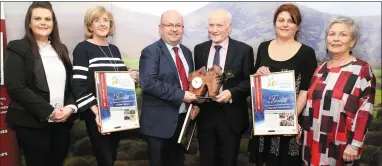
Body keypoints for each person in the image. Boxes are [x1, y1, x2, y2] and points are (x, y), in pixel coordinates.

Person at [4, 2, 77, 166]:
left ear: (53, 23)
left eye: (48, 19)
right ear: (29, 23)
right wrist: (50, 112)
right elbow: (15, 86)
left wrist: (70, 107)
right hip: (32, 123)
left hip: (61, 123)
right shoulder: (18, 47)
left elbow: (70, 85)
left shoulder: (61, 49)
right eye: (37, 18)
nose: (43, 23)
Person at [247, 4, 318, 166]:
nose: (285, 24)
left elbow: (305, 92)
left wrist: (288, 121)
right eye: (281, 20)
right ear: (275, 23)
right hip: (263, 124)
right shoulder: (263, 47)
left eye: (290, 21)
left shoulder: (307, 53)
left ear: (297, 26)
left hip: (288, 126)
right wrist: (258, 73)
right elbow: (255, 84)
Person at [301, 16, 376, 166]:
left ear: (352, 41)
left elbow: (365, 110)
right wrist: (303, 131)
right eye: (332, 34)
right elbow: (310, 104)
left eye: (343, 34)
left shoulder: (361, 70)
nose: (336, 39)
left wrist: (355, 145)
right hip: (311, 142)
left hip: (340, 146)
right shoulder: (320, 68)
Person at [71, 5, 138, 166]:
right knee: (105, 159)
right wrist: (98, 113)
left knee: (111, 157)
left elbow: (117, 78)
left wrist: (130, 76)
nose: (102, 24)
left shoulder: (114, 50)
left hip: (116, 112)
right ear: (89, 25)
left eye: (106, 20)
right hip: (97, 115)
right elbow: (78, 85)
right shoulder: (82, 49)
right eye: (97, 20)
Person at [193, 9, 255, 166]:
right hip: (206, 117)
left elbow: (249, 82)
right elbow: (197, 81)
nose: (214, 29)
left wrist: (231, 93)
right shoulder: (199, 50)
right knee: (206, 161)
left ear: (229, 27)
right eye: (211, 25)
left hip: (231, 118)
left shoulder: (244, 50)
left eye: (219, 25)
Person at [139, 10, 198, 166]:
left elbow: (190, 83)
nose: (174, 29)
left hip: (182, 122)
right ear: (160, 28)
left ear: (183, 28)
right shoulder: (150, 52)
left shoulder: (186, 52)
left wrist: (194, 104)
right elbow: (149, 83)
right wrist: (182, 96)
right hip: (158, 125)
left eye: (178, 25)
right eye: (169, 25)